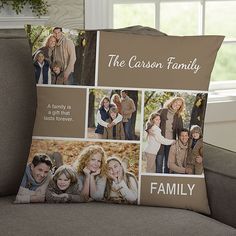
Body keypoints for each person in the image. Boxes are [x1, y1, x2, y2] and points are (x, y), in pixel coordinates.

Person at [156, 97, 185, 173]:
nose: (176, 105)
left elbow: (180, 131)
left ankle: (165, 179)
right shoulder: (162, 111)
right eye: (176, 103)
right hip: (159, 141)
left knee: (167, 164)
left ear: (180, 107)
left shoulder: (178, 116)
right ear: (172, 102)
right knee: (159, 162)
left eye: (179, 105)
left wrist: (180, 143)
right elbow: (152, 121)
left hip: (171, 143)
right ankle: (158, 179)